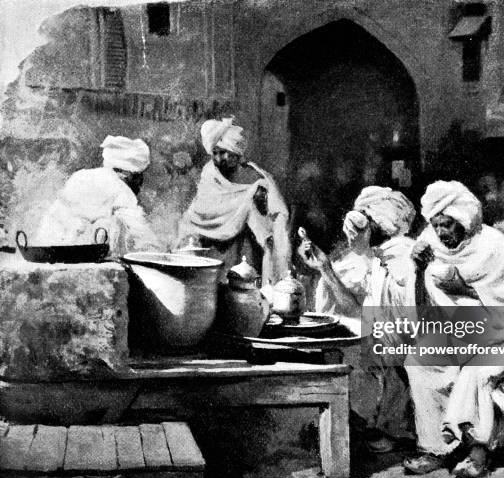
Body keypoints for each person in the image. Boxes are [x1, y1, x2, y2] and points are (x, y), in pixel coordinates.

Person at [404, 180, 504, 478]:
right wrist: (420, 271)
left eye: (447, 225)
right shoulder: (431, 247)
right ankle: (435, 449)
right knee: (420, 360)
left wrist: (466, 289)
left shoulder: (493, 246)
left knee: (477, 371)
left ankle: (478, 453)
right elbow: (424, 313)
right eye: (436, 225)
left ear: (463, 219)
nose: (441, 233)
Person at [298, 186, 418, 452]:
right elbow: (359, 310)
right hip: (386, 334)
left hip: (409, 340)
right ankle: (350, 421)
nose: (351, 230)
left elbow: (389, 320)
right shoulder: (374, 258)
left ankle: (372, 426)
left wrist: (327, 270)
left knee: (356, 351)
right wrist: (325, 268)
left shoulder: (398, 257)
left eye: (361, 223)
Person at [178, 117, 291, 285]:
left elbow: (269, 227)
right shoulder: (210, 174)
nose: (218, 158)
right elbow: (198, 213)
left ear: (237, 154)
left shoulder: (255, 180)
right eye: (215, 152)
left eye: (224, 152)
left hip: (243, 254)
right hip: (210, 252)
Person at [35, 136, 162, 256]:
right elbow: (139, 231)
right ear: (128, 174)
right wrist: (157, 251)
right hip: (79, 254)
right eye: (139, 177)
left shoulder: (80, 176)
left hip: (47, 247)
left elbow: (57, 213)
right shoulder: (120, 188)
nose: (140, 184)